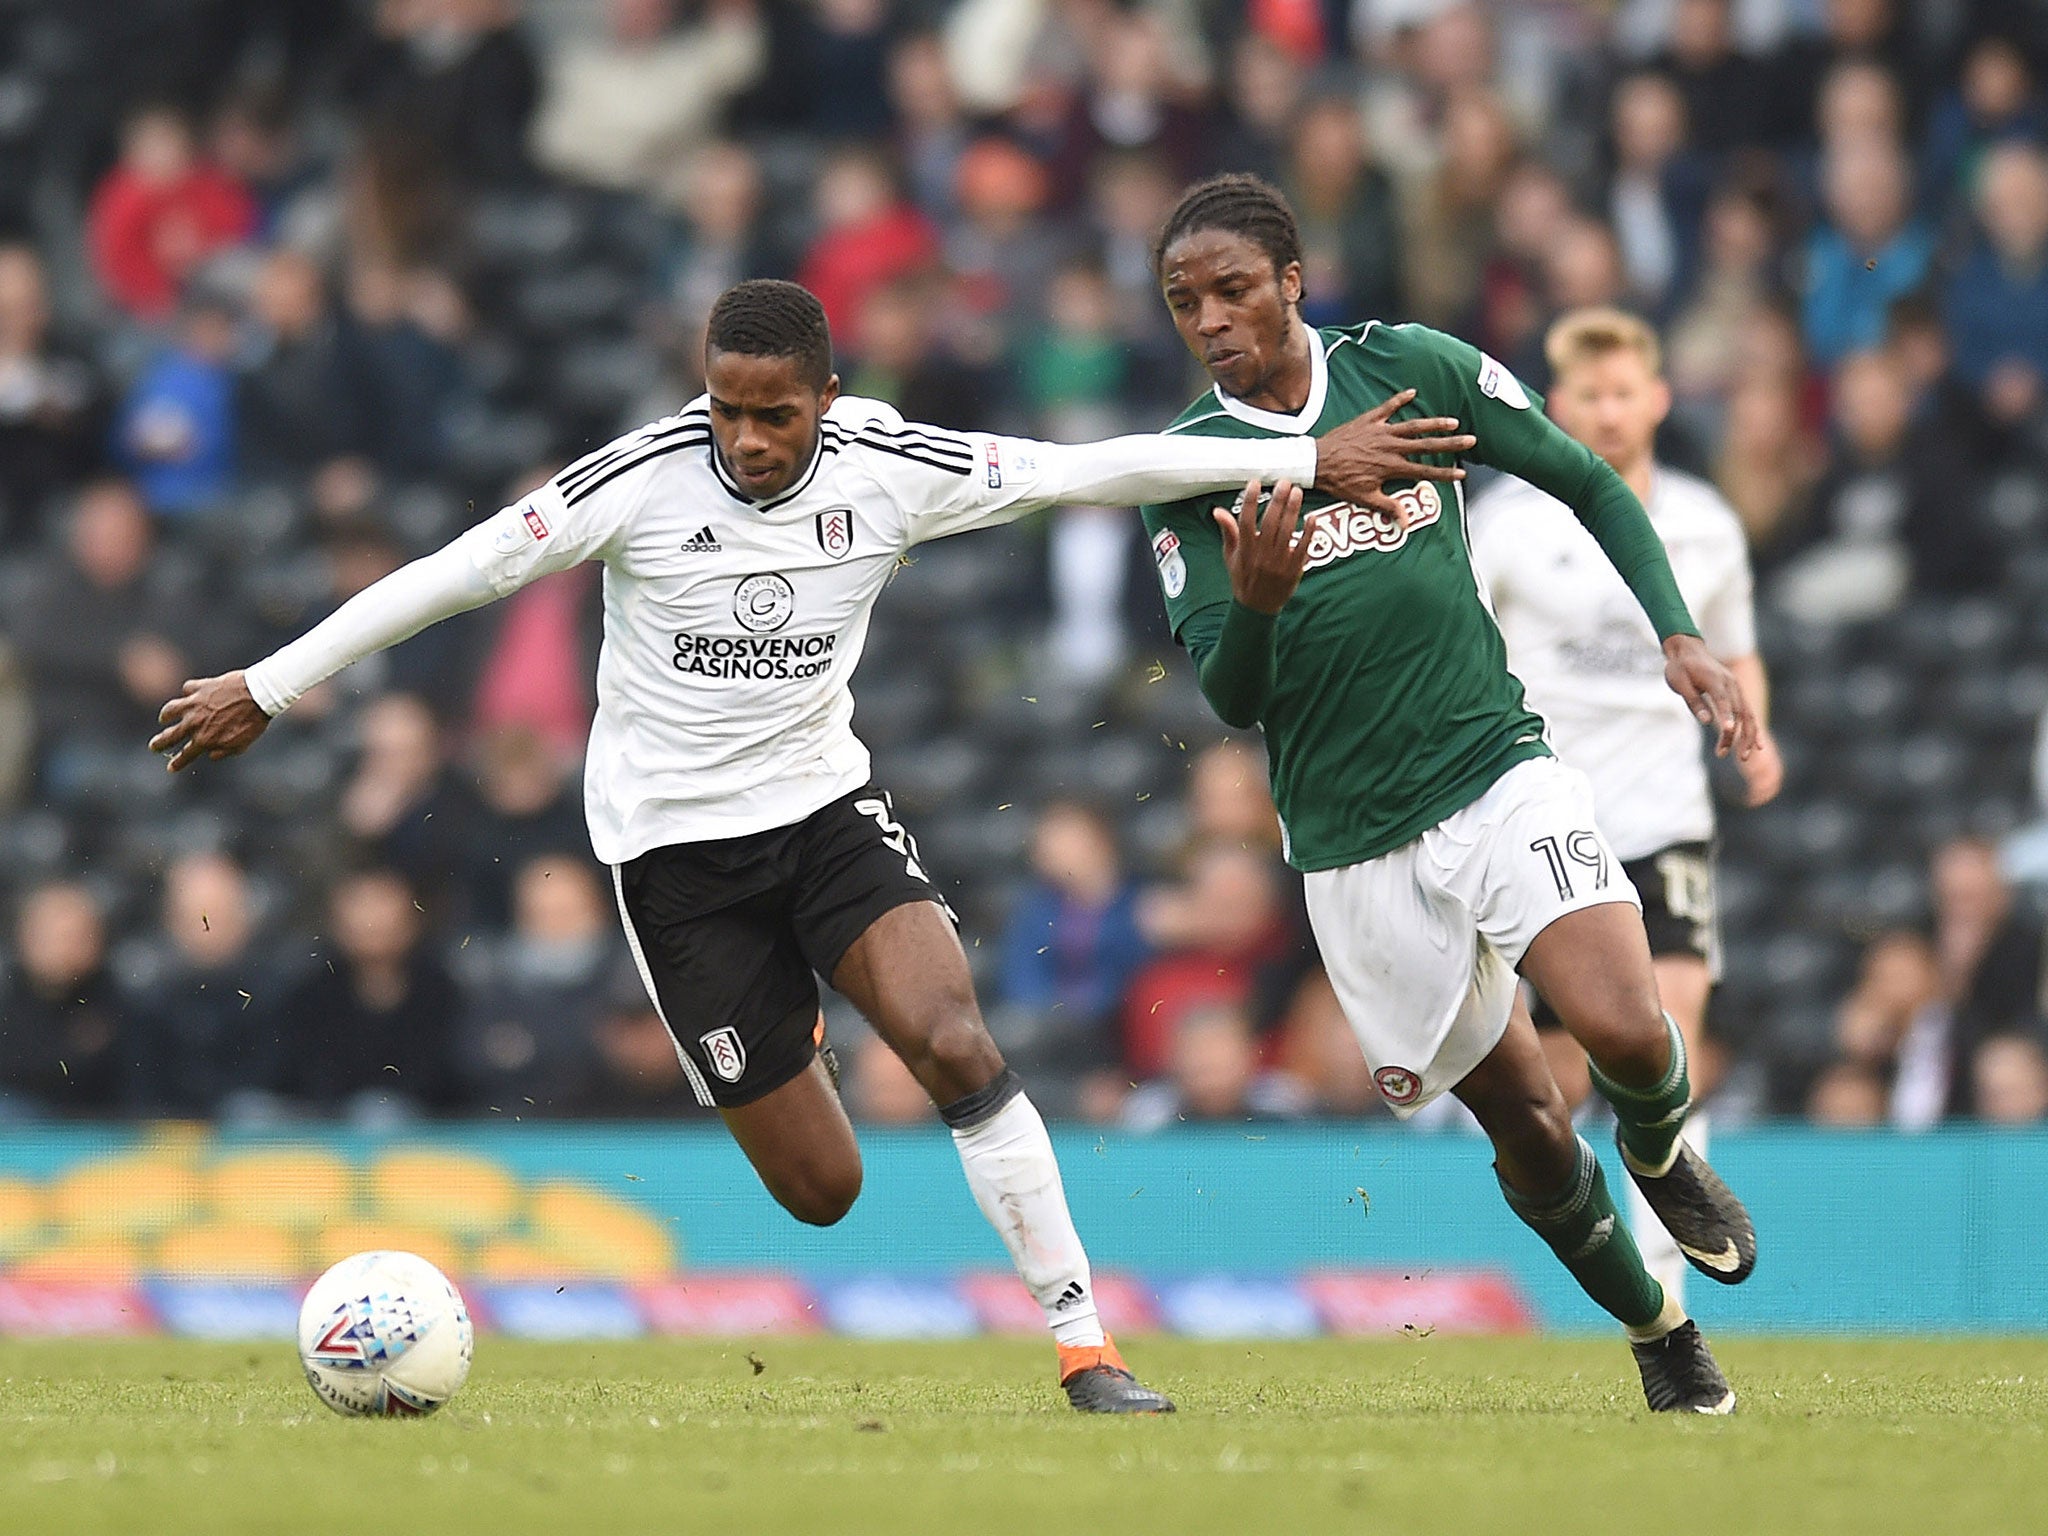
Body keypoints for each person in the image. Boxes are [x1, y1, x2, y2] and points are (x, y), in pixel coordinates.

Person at [150, 276, 1438, 1415]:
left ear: (831, 395)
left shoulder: (891, 463)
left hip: (821, 814)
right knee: (822, 1190)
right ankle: (795, 1028)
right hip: (672, 864)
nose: (750, 441)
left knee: (953, 1040)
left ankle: (1082, 1348)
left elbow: (1077, 468)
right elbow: (451, 572)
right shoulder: (638, 479)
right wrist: (269, 682)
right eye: (728, 411)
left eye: (778, 414)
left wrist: (1307, 459)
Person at [1140, 174, 1759, 1414]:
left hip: (1493, 770)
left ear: (1291, 282)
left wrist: (1679, 632)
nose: (1209, 319)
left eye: (1232, 289)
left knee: (1628, 1031)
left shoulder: (1409, 369)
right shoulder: (1179, 466)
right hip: (1349, 847)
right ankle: (1658, 1334)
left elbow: (1583, 476)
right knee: (1526, 1128)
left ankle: (1655, 1147)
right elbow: (1229, 694)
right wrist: (1258, 602)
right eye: (1182, 302)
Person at [1469, 307, 1784, 1311]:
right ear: (1557, 408)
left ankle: (1663, 1272)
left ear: (1654, 399)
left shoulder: (1703, 520)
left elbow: (1733, 648)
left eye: (1623, 394)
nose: (1606, 414)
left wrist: (1754, 732)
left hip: (1665, 812)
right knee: (1562, 1080)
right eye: (1587, 398)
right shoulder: (1509, 523)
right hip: (1551, 824)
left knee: (1668, 1022)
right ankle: (1601, 1244)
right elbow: (1459, 650)